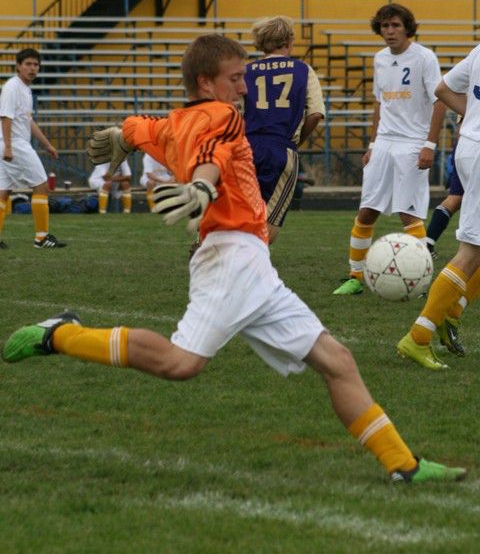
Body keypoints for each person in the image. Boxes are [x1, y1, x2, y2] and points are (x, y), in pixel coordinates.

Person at [2, 34, 465, 483]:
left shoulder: (172, 122)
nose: (245, 88)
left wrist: (121, 134)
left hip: (251, 260)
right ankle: (60, 335)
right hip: (229, 256)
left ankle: (403, 465)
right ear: (207, 83)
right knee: (180, 364)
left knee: (337, 360)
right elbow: (209, 156)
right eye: (236, 78)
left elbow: (141, 128)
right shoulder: (223, 115)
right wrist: (201, 186)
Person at [333, 4, 445, 295]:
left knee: (408, 215)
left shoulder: (424, 57)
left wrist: (429, 145)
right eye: (384, 27)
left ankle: (420, 280)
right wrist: (371, 144)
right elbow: (379, 102)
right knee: (366, 211)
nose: (390, 31)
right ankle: (355, 276)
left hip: (412, 144)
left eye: (395, 25)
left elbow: (439, 101)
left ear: (407, 27)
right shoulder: (379, 58)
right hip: (384, 143)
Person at [397, 43, 480, 370]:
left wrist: (471, 117)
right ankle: (418, 336)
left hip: (470, 146)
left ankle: (452, 312)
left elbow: (443, 89)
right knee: (470, 250)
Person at [243, 15, 324, 244]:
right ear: (289, 41)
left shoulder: (246, 71)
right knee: (272, 215)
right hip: (281, 147)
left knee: (240, 207)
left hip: (246, 147)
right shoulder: (303, 70)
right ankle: (253, 259)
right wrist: (297, 141)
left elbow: (235, 113)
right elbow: (315, 114)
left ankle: (212, 246)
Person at [0, 48, 66, 249]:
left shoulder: (25, 89)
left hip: (9, 144)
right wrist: (10, 147)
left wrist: (47, 145)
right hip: (15, 144)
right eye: (28, 64)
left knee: (3, 192)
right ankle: (41, 238)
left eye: (35, 64)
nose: (32, 68)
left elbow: (28, 121)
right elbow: (6, 117)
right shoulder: (13, 86)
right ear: (18, 66)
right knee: (41, 186)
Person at [426, 119, 463, 260]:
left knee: (455, 198)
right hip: (473, 145)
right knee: (457, 198)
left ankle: (427, 242)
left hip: (463, 145)